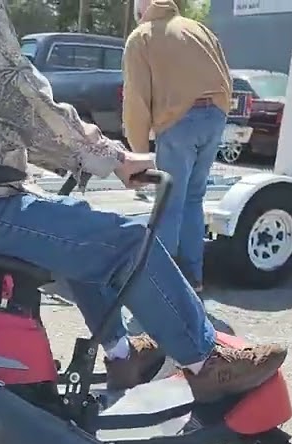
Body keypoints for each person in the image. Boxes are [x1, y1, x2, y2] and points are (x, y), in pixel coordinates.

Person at [0, 0, 286, 402]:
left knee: (82, 232)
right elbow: (20, 101)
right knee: (127, 242)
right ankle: (205, 361)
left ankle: (123, 356)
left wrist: (76, 155)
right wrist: (110, 157)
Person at [122, 0, 233, 294]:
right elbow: (226, 76)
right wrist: (219, 111)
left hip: (178, 121)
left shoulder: (143, 36)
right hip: (215, 116)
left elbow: (136, 100)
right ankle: (192, 279)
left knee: (168, 202)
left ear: (142, 7)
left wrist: (138, 154)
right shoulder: (199, 29)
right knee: (193, 199)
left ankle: (161, 285)